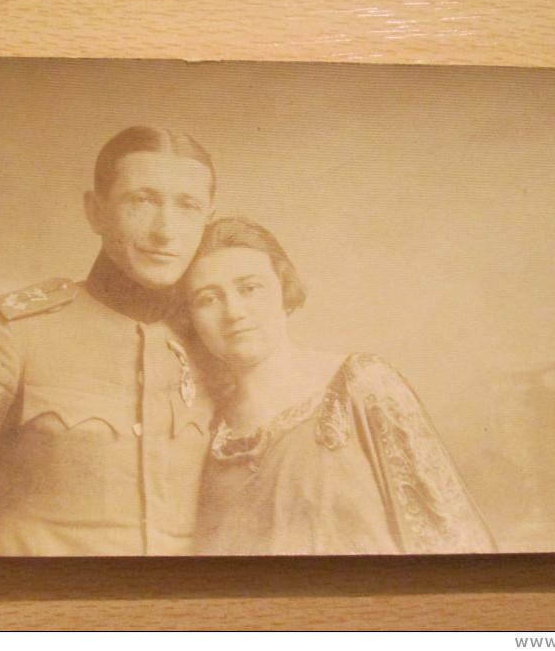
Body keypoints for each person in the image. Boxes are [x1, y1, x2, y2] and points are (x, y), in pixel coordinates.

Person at [0, 126, 217, 556]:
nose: (166, 231)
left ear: (207, 219)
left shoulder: (215, 343)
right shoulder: (12, 335)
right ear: (95, 212)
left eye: (188, 206)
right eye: (141, 200)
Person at [183, 218, 495, 555]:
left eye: (250, 288)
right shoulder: (204, 433)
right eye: (208, 299)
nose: (234, 312)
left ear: (284, 289)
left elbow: (451, 536)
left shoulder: (361, 385)